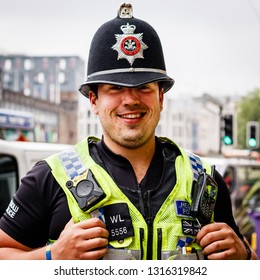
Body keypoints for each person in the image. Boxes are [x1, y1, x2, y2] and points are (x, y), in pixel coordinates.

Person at [0, 3, 257, 260]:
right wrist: (52, 256)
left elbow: (246, 262)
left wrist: (244, 257)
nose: (130, 100)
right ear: (94, 101)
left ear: (161, 98)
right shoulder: (49, 177)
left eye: (144, 87)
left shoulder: (205, 181)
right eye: (114, 88)